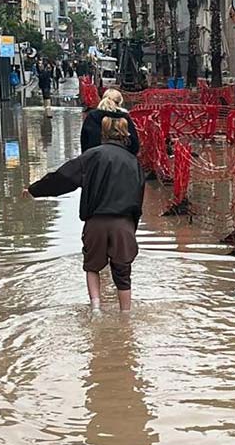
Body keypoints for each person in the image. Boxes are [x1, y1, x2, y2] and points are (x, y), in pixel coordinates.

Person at [23, 117, 145, 311]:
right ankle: (125, 316)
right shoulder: (134, 163)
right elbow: (138, 198)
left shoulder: (92, 156)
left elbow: (63, 178)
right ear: (125, 135)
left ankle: (95, 310)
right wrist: (131, 229)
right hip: (124, 223)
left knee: (92, 267)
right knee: (123, 272)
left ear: (102, 134)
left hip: (95, 221)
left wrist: (34, 190)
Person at [80, 89, 139, 155]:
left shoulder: (92, 117)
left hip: (96, 157)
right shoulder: (125, 117)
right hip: (122, 158)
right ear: (120, 102)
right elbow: (134, 145)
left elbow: (85, 141)